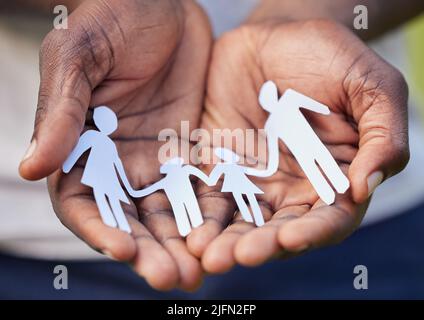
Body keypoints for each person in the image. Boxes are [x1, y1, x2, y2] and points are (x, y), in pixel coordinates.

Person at [0, 0, 423, 298]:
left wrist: (309, 13)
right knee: (156, 206)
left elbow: (237, 161)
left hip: (371, 227)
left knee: (314, 176)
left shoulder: (278, 111)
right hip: (27, 250)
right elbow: (102, 159)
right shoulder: (130, 149)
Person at [63, 106, 134, 233]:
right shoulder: (92, 136)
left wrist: (128, 186)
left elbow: (117, 163)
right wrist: (67, 166)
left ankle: (122, 224)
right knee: (102, 196)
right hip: (97, 173)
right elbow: (79, 150)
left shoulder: (109, 143)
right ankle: (111, 221)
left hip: (108, 175)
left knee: (110, 198)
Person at [131, 157, 212, 237]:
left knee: (190, 213)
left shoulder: (183, 171)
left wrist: (210, 180)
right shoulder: (173, 177)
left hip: (186, 200)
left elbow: (200, 175)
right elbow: (147, 190)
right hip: (180, 202)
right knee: (184, 215)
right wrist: (134, 192)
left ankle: (192, 225)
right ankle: (188, 228)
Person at [208, 148, 265, 226]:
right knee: (245, 199)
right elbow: (213, 178)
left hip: (240, 184)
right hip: (238, 185)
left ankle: (256, 220)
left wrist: (209, 181)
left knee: (246, 199)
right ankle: (252, 220)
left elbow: (212, 179)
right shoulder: (223, 166)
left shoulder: (227, 165)